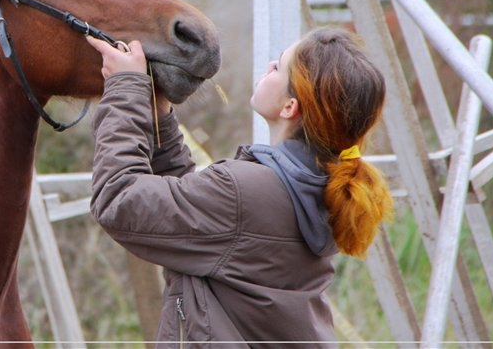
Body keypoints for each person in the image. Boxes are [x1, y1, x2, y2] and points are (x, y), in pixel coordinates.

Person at [86, 26, 393, 347]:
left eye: (279, 66)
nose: (269, 67)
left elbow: (118, 198)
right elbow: (199, 220)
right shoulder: (319, 186)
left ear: (290, 107)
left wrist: (125, 88)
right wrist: (160, 118)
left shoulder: (247, 189)